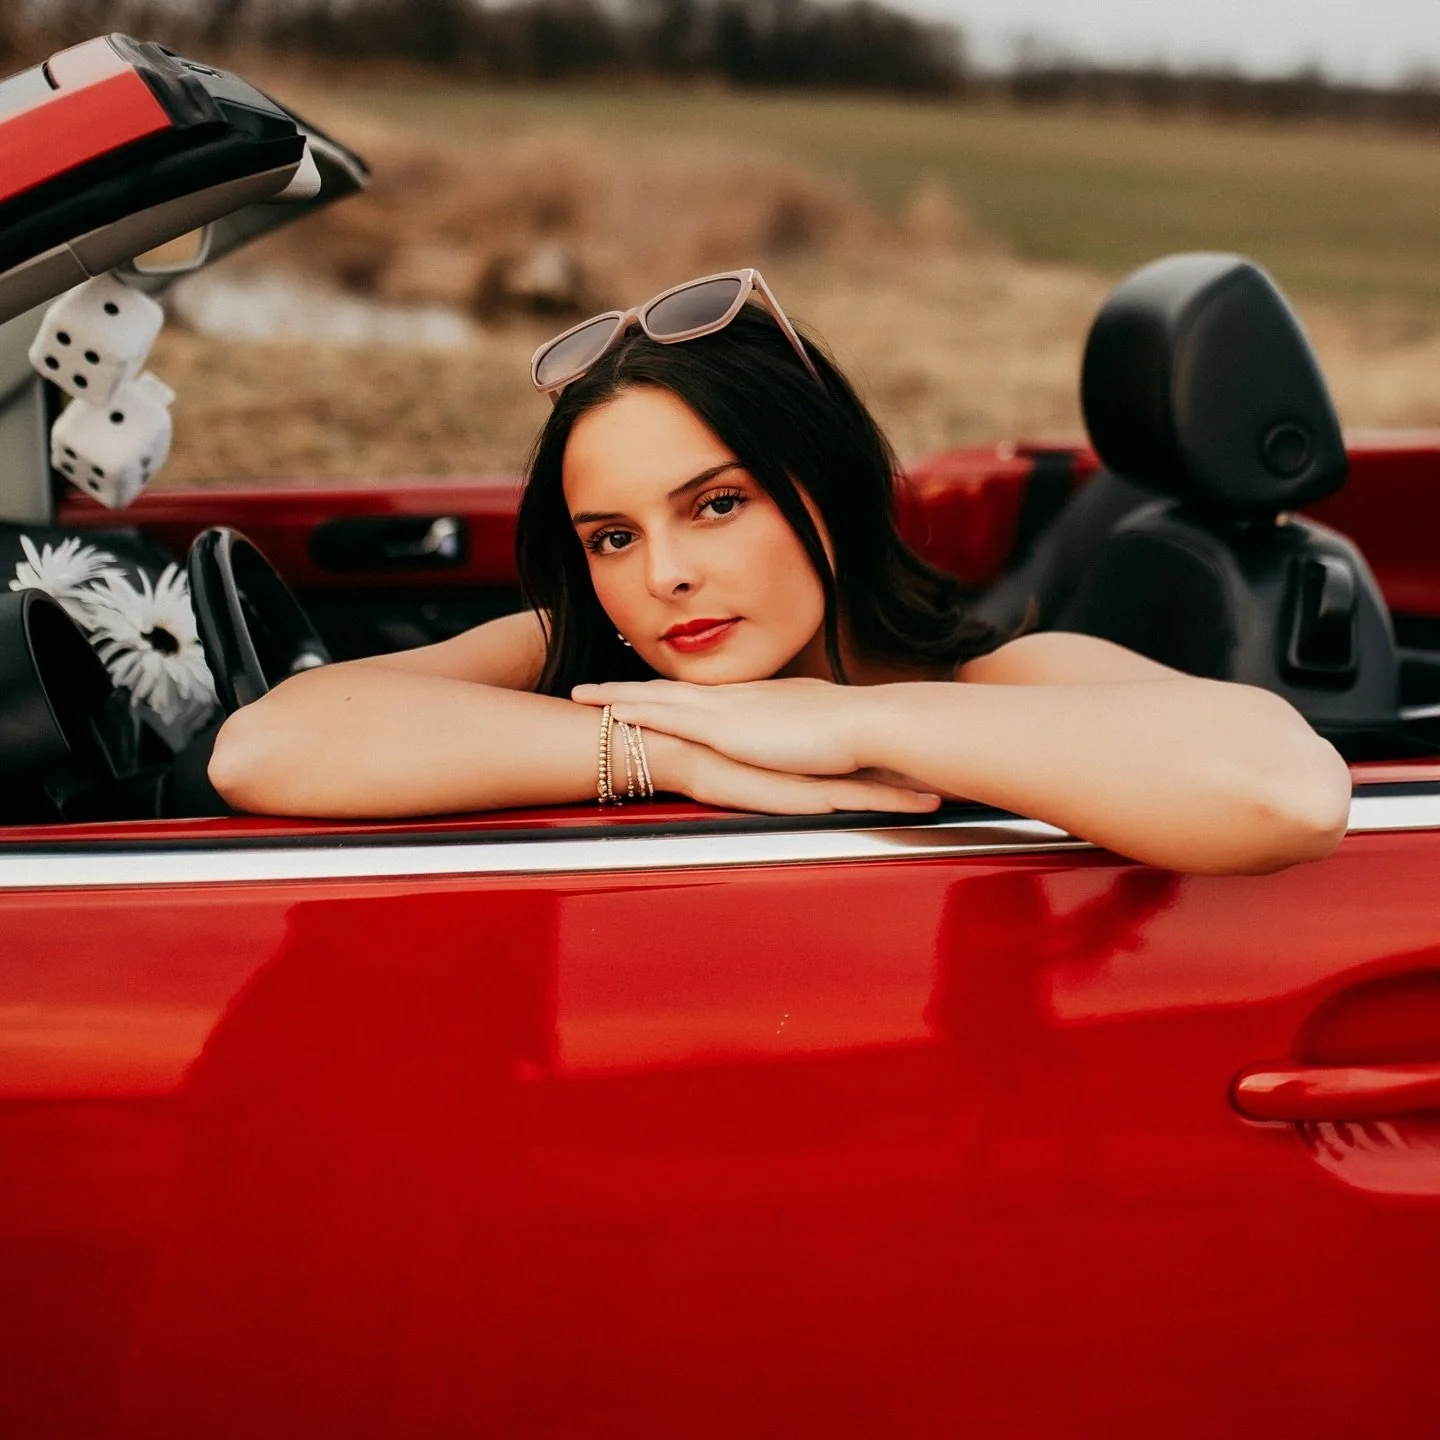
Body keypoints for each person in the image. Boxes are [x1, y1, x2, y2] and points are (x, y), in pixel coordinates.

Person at [208, 268, 1351, 876]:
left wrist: (842, 725)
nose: (664, 576)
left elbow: (1284, 791)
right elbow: (266, 746)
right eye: (612, 535)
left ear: (828, 493)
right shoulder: (597, 666)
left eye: (716, 504)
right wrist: (669, 756)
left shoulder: (1010, 677)